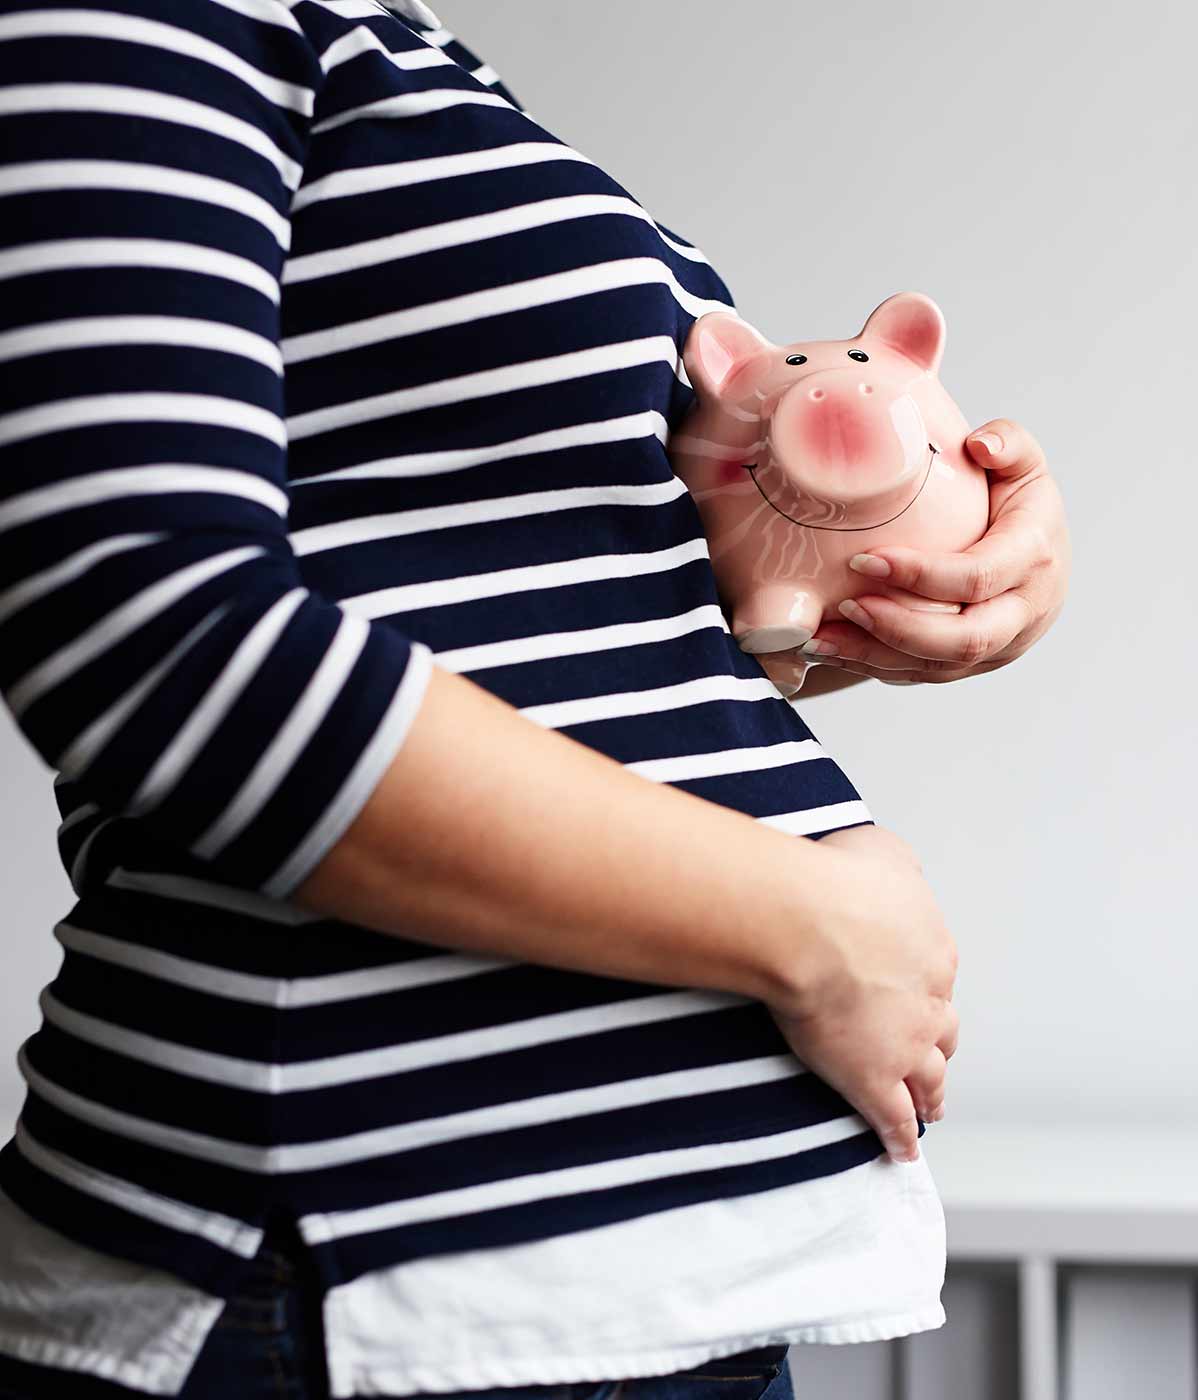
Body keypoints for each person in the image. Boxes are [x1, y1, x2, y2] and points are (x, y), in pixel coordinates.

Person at [0, 0, 1070, 1396]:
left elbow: (532, 643)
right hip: (379, 1277)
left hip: (619, 1281)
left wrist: (894, 601)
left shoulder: (398, 41)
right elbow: (156, 638)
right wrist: (812, 927)